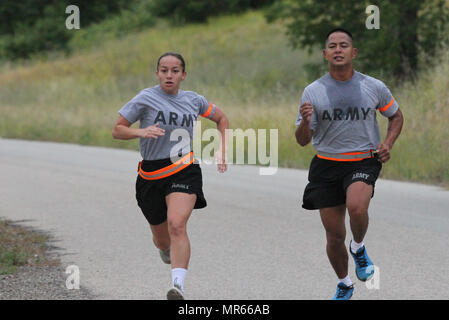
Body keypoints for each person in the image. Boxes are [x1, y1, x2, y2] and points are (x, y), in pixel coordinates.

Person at [295, 28, 404, 300]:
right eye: (332, 46)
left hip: (363, 160)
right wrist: (306, 122)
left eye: (344, 45)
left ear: (353, 52)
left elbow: (396, 116)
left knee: (357, 207)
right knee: (333, 236)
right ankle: (344, 283)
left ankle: (358, 247)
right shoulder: (313, 91)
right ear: (325, 54)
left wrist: (387, 143)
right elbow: (301, 140)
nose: (338, 49)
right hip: (326, 164)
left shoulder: (373, 86)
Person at [112, 52, 229, 300]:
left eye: (175, 71)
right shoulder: (146, 97)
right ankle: (165, 249)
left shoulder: (194, 100)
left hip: (183, 167)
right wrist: (141, 132)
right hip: (150, 173)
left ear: (183, 75)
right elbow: (118, 130)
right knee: (162, 239)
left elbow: (221, 118)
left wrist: (222, 148)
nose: (169, 75)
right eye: (164, 70)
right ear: (157, 74)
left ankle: (177, 286)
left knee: (177, 224)